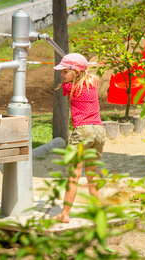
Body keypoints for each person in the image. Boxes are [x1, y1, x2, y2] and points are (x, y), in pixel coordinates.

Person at [53, 53, 106, 223]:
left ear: (75, 72)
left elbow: (64, 85)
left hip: (83, 131)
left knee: (73, 175)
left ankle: (65, 214)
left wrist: (72, 74)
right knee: (92, 174)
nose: (62, 75)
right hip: (98, 131)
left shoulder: (68, 87)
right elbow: (88, 75)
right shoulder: (93, 83)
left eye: (64, 71)